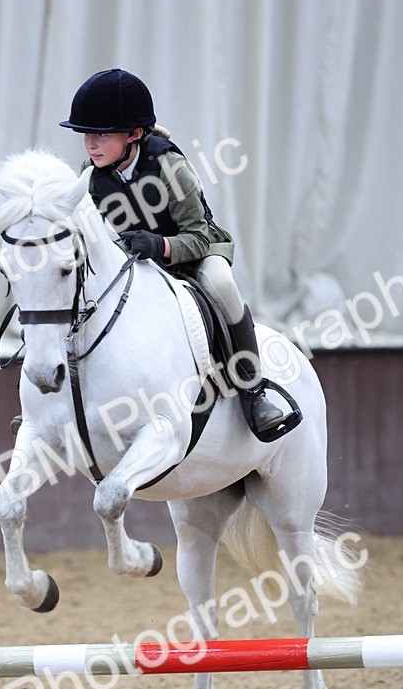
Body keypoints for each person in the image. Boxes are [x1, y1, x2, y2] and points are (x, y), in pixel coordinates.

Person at [58, 68, 292, 440]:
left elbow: (198, 236)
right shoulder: (90, 177)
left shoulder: (170, 166)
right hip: (138, 264)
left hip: (195, 254)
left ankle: (253, 391)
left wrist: (159, 245)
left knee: (222, 285)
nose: (90, 144)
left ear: (134, 134)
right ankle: (58, 403)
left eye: (101, 134)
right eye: (86, 134)